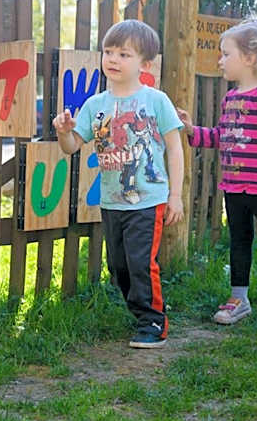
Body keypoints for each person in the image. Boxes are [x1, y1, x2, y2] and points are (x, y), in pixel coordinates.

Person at [53, 19, 184, 348]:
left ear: (145, 64)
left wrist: (176, 196)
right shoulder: (95, 106)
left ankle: (153, 321)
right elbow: (72, 147)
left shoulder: (156, 101)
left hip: (148, 200)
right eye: (108, 51)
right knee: (119, 267)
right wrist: (63, 131)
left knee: (141, 262)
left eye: (124, 54)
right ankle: (142, 311)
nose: (113, 59)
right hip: (112, 201)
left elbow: (175, 148)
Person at [177, 19, 257, 326]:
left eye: (226, 54)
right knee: (238, 241)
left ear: (249, 58)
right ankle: (239, 298)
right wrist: (191, 130)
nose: (220, 60)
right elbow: (224, 136)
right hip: (235, 188)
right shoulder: (231, 99)